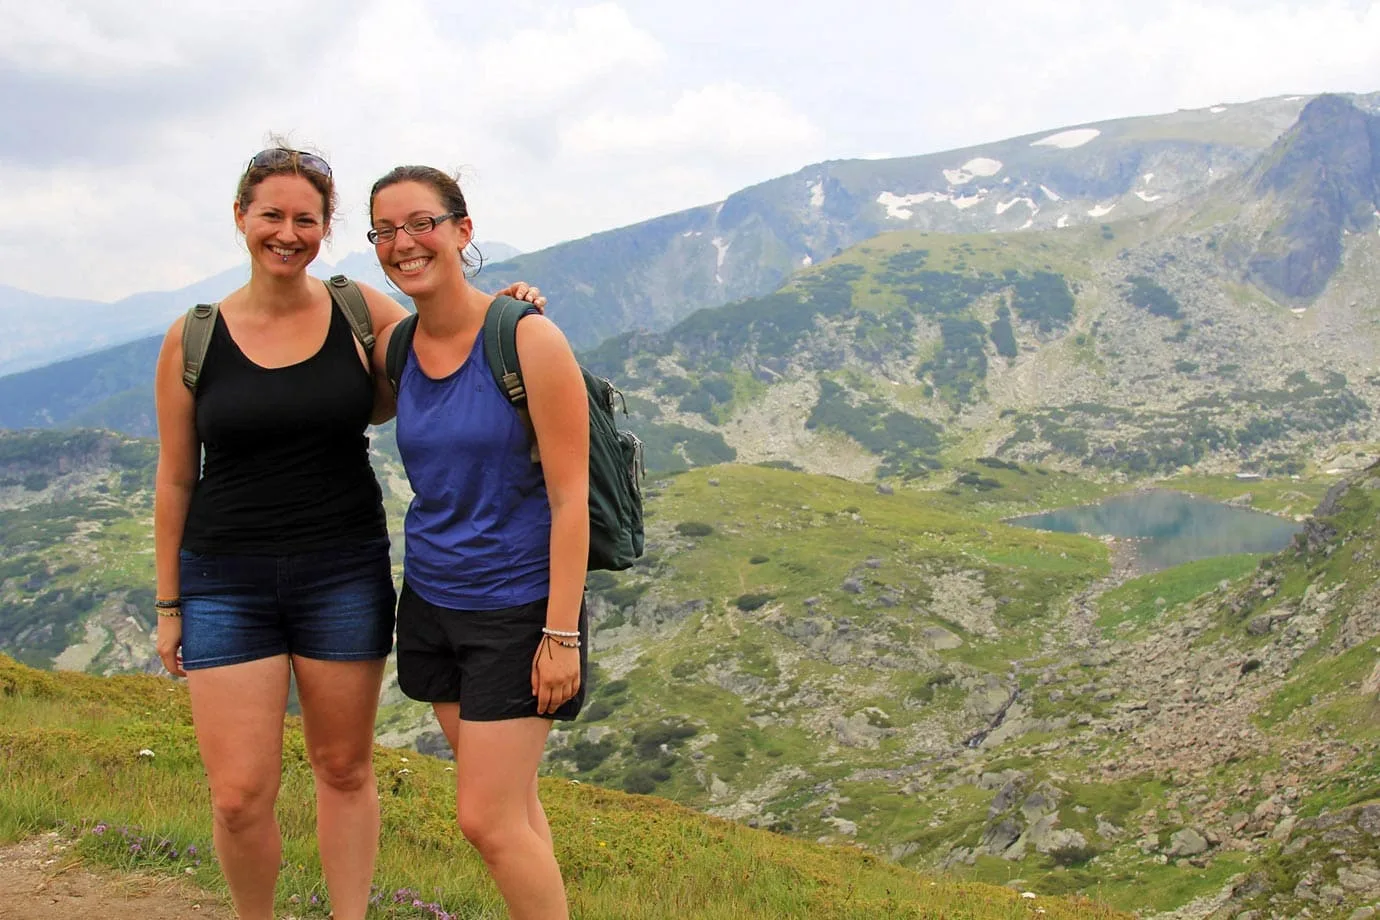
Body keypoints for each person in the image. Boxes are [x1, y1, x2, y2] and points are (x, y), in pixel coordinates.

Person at [151, 146, 542, 920]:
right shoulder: (194, 337)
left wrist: (507, 307)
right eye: (272, 215)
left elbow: (447, 337)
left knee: (342, 768)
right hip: (225, 580)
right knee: (237, 795)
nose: (288, 233)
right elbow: (174, 477)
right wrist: (169, 605)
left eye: (306, 219)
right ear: (241, 218)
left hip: (341, 570)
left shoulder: (359, 310)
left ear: (327, 230)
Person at [368, 165, 588, 920]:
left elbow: (570, 499)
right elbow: (315, 296)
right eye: (386, 231)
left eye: (422, 223)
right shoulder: (397, 346)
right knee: (515, 808)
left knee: (485, 819)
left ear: (464, 230)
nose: (404, 243)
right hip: (431, 603)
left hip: (516, 613)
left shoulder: (528, 341)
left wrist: (561, 633)